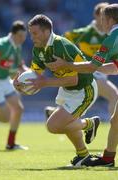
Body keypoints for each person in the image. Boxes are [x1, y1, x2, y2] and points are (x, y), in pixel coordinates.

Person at [14, 14, 100, 167]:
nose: (31, 37)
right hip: (67, 90)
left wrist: (44, 82)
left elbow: (74, 79)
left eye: (35, 33)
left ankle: (89, 124)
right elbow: (35, 76)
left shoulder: (62, 46)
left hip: (84, 90)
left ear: (46, 32)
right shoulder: (38, 49)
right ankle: (83, 156)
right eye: (30, 33)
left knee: (53, 126)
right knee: (63, 122)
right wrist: (21, 84)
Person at [46, 4, 118, 167]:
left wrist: (67, 64)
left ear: (110, 20)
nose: (101, 23)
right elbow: (114, 68)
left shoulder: (111, 38)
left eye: (103, 19)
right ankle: (108, 159)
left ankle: (107, 157)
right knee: (116, 121)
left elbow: (92, 66)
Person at [0, 20, 28, 150]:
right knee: (5, 118)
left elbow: (20, 65)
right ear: (12, 34)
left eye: (24, 36)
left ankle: (11, 143)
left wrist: (33, 74)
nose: (23, 39)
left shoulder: (17, 46)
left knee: (18, 109)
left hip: (4, 81)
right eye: (20, 36)